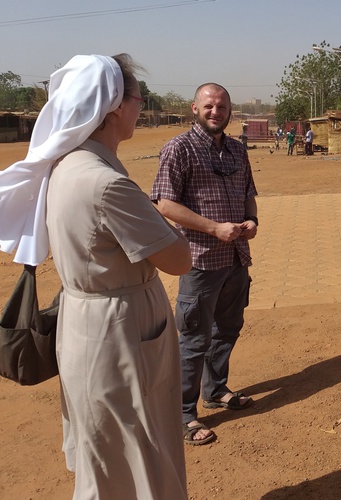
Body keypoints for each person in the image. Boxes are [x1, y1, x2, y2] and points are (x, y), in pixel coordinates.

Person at [0, 54, 191, 498]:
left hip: (89, 321)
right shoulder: (105, 183)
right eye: (139, 98)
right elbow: (178, 259)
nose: (142, 107)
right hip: (120, 330)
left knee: (105, 451)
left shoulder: (66, 168)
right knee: (137, 453)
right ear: (113, 108)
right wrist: (170, 223)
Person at [151, 83, 259, 445]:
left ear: (231, 110)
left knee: (227, 329)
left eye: (223, 106)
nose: (217, 111)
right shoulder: (179, 149)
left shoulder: (236, 150)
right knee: (195, 338)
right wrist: (214, 228)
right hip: (200, 261)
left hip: (235, 259)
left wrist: (251, 221)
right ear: (194, 108)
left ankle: (215, 391)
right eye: (209, 106)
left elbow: (248, 194)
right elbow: (164, 204)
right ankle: (184, 413)